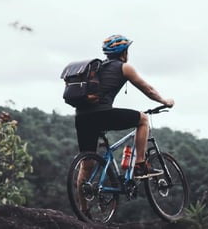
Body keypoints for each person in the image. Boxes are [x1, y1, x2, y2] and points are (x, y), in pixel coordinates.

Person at [75, 34, 175, 179]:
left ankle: (80, 202)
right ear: (124, 52)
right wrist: (165, 101)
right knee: (143, 119)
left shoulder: (96, 68)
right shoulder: (124, 67)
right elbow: (148, 90)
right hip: (102, 114)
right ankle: (140, 164)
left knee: (86, 164)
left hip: (82, 117)